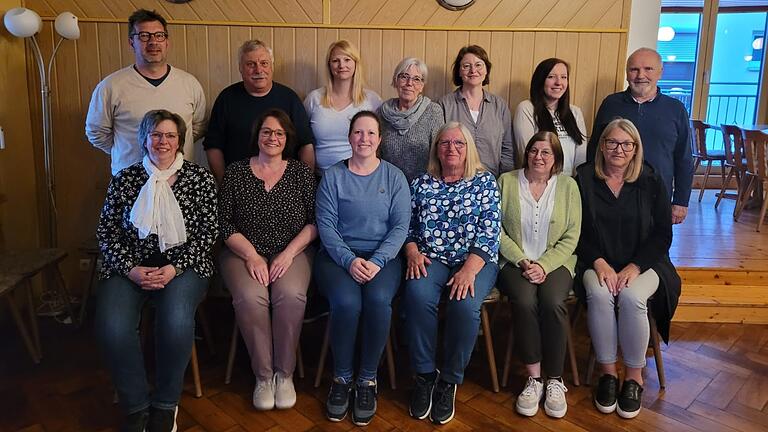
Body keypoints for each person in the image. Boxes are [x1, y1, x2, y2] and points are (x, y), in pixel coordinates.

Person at [94, 110, 218, 432]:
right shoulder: (125, 178)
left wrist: (174, 268)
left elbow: (208, 233)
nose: (163, 141)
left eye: (170, 135)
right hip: (129, 268)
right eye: (156, 135)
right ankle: (136, 407)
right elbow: (106, 233)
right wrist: (131, 269)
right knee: (113, 325)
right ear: (144, 140)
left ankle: (165, 405)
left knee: (176, 321)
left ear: (180, 141)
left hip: (184, 266)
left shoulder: (199, 179)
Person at [576, 118, 681, 420]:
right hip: (596, 260)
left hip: (646, 264)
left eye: (626, 144)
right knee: (599, 293)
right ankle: (608, 374)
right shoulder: (584, 178)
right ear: (602, 146)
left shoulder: (651, 180)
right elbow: (576, 231)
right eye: (612, 142)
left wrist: (636, 266)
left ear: (635, 149)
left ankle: (633, 377)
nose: (618, 149)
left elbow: (663, 234)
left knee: (632, 297)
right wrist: (598, 263)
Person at [314, 111, 410, 426]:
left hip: (383, 259)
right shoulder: (332, 175)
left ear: (380, 139)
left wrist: (376, 261)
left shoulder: (394, 177)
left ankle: (367, 380)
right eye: (358, 133)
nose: (364, 139)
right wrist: (349, 260)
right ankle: (342, 378)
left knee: (378, 302)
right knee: (346, 302)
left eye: (370, 133)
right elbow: (326, 226)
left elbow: (400, 227)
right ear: (350, 137)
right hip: (337, 257)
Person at [218, 109, 317, 411]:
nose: (272, 138)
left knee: (290, 295)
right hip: (242, 250)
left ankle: (283, 375)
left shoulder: (301, 173)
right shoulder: (236, 172)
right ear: (257, 136)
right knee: (250, 297)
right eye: (266, 132)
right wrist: (251, 256)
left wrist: (288, 254)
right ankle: (263, 376)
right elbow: (225, 224)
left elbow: (315, 222)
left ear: (287, 139)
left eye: (279, 133)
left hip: (293, 251)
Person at [404, 122, 501, 425]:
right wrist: (411, 251)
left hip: (476, 260)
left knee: (464, 305)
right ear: (436, 149)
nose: (451, 149)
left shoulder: (484, 182)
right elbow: (405, 226)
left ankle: (449, 379)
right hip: (429, 258)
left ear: (469, 147)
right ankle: (424, 374)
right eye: (445, 143)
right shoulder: (421, 182)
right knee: (417, 296)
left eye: (458, 143)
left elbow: (490, 231)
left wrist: (469, 269)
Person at [497, 131, 581, 418]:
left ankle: (555, 379)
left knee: (553, 301)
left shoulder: (569, 186)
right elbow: (496, 230)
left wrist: (544, 265)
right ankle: (533, 378)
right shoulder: (506, 182)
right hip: (513, 262)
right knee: (523, 301)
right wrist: (522, 260)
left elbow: (572, 235)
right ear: (527, 152)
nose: (538, 157)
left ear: (556, 157)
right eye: (534, 150)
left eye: (546, 152)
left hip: (556, 263)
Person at [86, 9, 206, 176]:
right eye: (144, 36)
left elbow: (197, 127)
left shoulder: (189, 84)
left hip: (180, 180)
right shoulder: (111, 86)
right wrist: (128, 150)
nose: (153, 42)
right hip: (131, 180)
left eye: (159, 35)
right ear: (131, 42)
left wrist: (166, 152)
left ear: (167, 42)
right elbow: (96, 132)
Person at [587, 47, 693, 224]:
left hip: (657, 196)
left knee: (654, 248)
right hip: (613, 195)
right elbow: (595, 150)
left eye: (648, 69)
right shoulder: (611, 104)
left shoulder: (676, 109)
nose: (640, 75)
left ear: (660, 72)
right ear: (627, 74)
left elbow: (684, 158)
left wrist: (681, 201)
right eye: (634, 69)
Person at [205, 39, 315, 184]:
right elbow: (213, 146)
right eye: (251, 64)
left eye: (264, 63)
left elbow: (306, 145)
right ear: (240, 68)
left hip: (285, 187)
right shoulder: (226, 98)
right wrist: (225, 183)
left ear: (272, 66)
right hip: (239, 186)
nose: (258, 70)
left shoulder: (289, 98)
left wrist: (305, 184)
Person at [305, 40, 382, 174]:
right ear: (329, 65)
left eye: (347, 59)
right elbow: (303, 139)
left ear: (356, 63)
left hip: (360, 178)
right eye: (335, 61)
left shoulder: (372, 100)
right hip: (320, 177)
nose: (342, 65)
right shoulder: (314, 98)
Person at [440, 45, 515, 177]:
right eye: (466, 66)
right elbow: (439, 148)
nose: (473, 70)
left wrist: (503, 181)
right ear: (459, 71)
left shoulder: (500, 106)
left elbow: (507, 149)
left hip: (492, 182)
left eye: (479, 65)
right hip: (454, 183)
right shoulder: (444, 105)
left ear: (486, 70)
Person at [513, 58, 587, 175]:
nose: (558, 82)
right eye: (551, 77)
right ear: (540, 80)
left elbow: (581, 158)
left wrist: (574, 183)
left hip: (568, 183)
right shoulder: (526, 108)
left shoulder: (575, 112)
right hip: (538, 181)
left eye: (564, 77)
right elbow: (526, 154)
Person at [378, 57, 444, 182]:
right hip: (388, 183)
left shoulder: (433, 111)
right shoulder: (382, 113)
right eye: (404, 77)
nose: (409, 83)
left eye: (416, 79)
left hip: (424, 186)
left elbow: (439, 153)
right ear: (395, 80)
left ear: (422, 86)